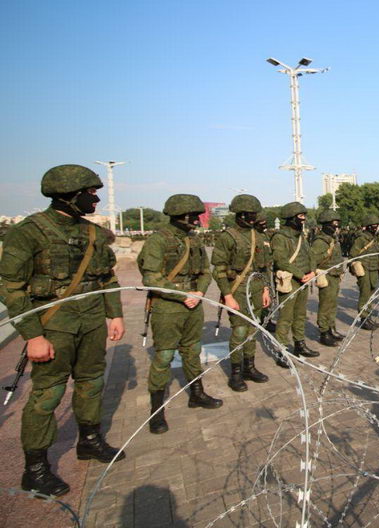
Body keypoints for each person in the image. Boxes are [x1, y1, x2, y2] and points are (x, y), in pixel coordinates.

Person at [0, 165, 126, 496]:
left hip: (90, 322)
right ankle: (36, 469)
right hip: (52, 326)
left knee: (91, 382)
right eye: (90, 192)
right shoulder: (28, 232)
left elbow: (107, 278)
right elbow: (12, 288)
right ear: (70, 196)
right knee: (49, 393)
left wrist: (114, 315)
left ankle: (89, 440)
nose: (95, 198)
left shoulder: (93, 235)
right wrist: (32, 335)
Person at [138, 194, 222, 435]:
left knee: (193, 350)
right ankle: (156, 412)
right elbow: (151, 276)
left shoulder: (193, 240)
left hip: (193, 303)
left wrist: (198, 292)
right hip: (168, 307)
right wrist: (182, 294)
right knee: (164, 356)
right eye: (194, 215)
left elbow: (206, 271)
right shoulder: (158, 240)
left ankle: (196, 394)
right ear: (181, 215)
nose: (197, 219)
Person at [211, 194, 272, 392]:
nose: (253, 218)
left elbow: (263, 267)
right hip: (236, 289)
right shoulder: (227, 237)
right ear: (239, 214)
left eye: (255, 214)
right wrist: (227, 295)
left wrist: (265, 289)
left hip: (255, 288)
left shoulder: (259, 236)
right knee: (239, 330)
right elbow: (218, 269)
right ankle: (235, 373)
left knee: (252, 329)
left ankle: (250, 367)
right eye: (249, 214)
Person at [271, 202, 319, 364]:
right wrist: (300, 274)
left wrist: (312, 271)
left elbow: (311, 255)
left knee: (300, 315)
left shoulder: (301, 236)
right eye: (300, 216)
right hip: (290, 281)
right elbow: (281, 261)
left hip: (304, 279)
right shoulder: (280, 237)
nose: (304, 219)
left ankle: (300, 344)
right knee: (285, 317)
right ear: (291, 218)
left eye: (304, 215)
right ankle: (282, 350)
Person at [310, 210, 346, 347]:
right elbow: (314, 259)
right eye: (333, 224)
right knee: (325, 305)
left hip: (335, 275)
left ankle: (331, 328)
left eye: (337, 224)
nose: (335, 227)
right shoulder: (320, 241)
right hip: (326, 276)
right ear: (325, 225)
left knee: (332, 304)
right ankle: (324, 332)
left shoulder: (333, 240)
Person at [349, 213, 379, 330]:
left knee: (371, 293)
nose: (375, 227)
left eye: (376, 225)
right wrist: (356, 267)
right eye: (372, 225)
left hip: (374, 269)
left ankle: (368, 317)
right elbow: (353, 255)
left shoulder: (376, 238)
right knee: (365, 294)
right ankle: (364, 318)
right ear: (367, 226)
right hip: (364, 269)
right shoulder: (361, 239)